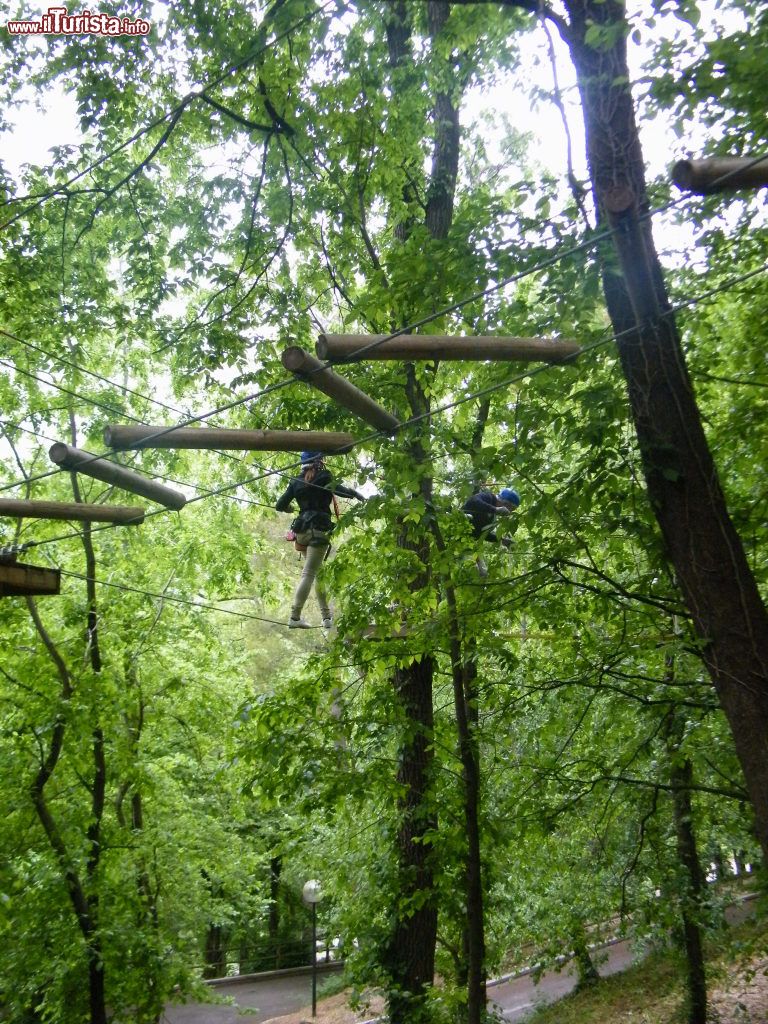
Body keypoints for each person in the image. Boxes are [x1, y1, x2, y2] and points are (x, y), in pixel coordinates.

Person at [276, 452, 365, 629]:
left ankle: (326, 618)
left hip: (302, 531)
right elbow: (340, 490)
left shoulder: (296, 481)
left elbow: (280, 505)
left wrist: (289, 508)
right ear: (319, 462)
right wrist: (355, 494)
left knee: (318, 573)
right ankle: (294, 617)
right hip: (319, 530)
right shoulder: (324, 476)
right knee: (309, 573)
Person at [462, 485, 520, 576]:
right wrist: (495, 509)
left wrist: (500, 539)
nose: (509, 512)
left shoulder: (492, 516)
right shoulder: (488, 497)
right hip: (458, 533)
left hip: (468, 543)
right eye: (511, 509)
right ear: (506, 503)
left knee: (482, 573)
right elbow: (474, 501)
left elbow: (483, 533)